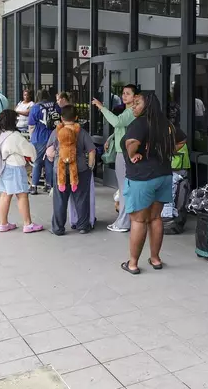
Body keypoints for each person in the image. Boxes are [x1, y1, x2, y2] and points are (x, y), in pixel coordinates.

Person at [120, 92, 187, 275]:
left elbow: (131, 142)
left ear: (148, 105)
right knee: (155, 218)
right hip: (163, 175)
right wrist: (164, 152)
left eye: (137, 103)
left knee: (139, 220)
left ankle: (132, 263)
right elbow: (182, 140)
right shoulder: (165, 123)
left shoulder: (139, 123)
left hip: (142, 178)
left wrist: (133, 154)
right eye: (132, 103)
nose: (133, 106)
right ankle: (155, 259)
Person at [92, 84, 139, 233]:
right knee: (124, 188)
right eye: (123, 93)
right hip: (122, 151)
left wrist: (101, 107)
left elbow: (118, 122)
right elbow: (121, 127)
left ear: (135, 97)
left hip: (123, 153)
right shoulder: (128, 111)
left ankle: (124, 222)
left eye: (128, 94)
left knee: (124, 189)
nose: (124, 96)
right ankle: (125, 220)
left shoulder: (131, 111)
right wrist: (111, 138)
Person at [0, 110, 44, 234]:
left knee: (5, 195)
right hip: (14, 167)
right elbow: (30, 151)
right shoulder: (14, 136)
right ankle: (28, 224)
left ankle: (3, 224)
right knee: (22, 195)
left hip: (1, 168)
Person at [47, 105, 96, 235]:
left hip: (60, 170)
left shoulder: (56, 132)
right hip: (80, 169)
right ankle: (83, 226)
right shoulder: (82, 132)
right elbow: (92, 150)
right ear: (76, 117)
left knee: (60, 200)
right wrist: (90, 166)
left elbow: (49, 152)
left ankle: (58, 228)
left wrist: (54, 160)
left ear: (62, 118)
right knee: (81, 198)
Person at [28, 89, 61, 195]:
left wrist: (31, 137)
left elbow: (31, 125)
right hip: (53, 136)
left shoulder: (35, 108)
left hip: (38, 137)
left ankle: (34, 186)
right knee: (49, 161)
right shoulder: (55, 106)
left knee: (37, 162)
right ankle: (49, 185)